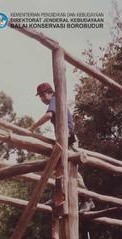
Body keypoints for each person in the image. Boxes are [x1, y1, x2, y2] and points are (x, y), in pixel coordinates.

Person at [29, 82, 94, 212]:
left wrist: (32, 127)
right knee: (58, 166)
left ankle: (87, 199)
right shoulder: (55, 101)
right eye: (40, 96)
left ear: (49, 92)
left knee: (70, 170)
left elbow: (48, 116)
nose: (42, 99)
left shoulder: (55, 99)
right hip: (63, 139)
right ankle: (57, 196)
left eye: (42, 95)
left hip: (68, 139)